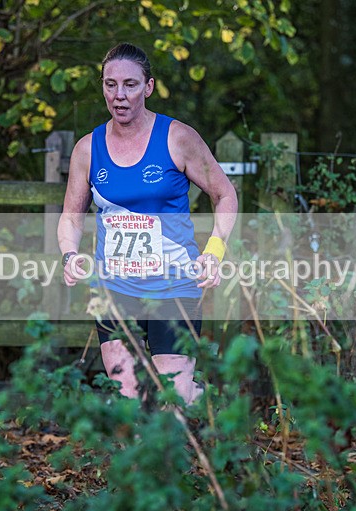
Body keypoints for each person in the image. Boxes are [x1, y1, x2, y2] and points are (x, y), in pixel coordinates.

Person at [57, 43, 238, 404]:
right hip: (114, 286)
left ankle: (200, 402)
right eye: (110, 85)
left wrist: (214, 252)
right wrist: (69, 253)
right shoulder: (87, 149)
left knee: (176, 399)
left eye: (130, 85)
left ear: (149, 87)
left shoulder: (177, 138)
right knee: (128, 395)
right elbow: (71, 217)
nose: (119, 95)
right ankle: (139, 458)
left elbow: (225, 195)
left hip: (175, 285)